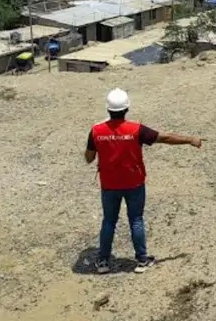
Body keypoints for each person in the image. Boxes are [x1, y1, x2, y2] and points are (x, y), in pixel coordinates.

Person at [84, 88, 203, 274]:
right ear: (126, 109)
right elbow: (164, 137)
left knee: (109, 221)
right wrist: (190, 140)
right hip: (134, 183)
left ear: (108, 109)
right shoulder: (136, 129)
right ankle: (141, 260)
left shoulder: (96, 131)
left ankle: (103, 262)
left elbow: (89, 158)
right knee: (136, 220)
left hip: (109, 185)